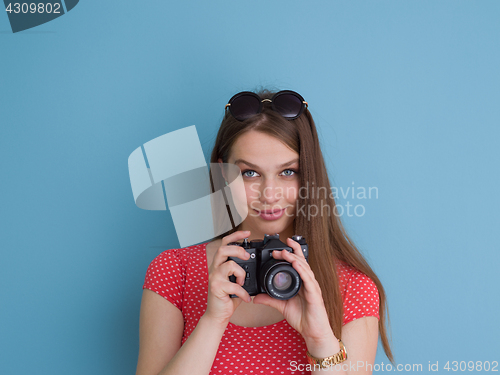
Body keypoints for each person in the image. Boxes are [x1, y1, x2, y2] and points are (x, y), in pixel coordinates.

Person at [135, 89, 393, 375]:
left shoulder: (352, 287)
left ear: (308, 174)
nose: (270, 195)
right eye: (250, 173)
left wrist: (320, 339)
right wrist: (212, 322)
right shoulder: (174, 272)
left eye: (287, 172)